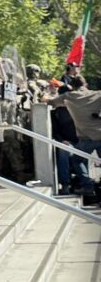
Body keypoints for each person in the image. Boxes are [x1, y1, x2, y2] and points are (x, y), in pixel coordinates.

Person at [47, 75, 101, 204]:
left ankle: (88, 186)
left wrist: (45, 96)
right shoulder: (98, 94)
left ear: (72, 86)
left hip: (86, 138)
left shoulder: (69, 96)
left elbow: (50, 102)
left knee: (77, 160)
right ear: (86, 84)